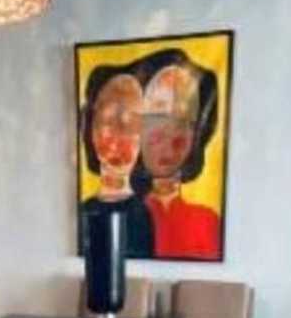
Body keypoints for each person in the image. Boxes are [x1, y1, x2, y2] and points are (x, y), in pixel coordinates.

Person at [138, 55, 222, 260]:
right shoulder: (118, 216)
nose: (169, 134)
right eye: (157, 114)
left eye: (183, 118)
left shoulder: (208, 221)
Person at [79, 67, 154, 258]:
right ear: (91, 130)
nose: (118, 140)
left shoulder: (142, 215)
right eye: (107, 122)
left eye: (130, 127)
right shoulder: (82, 213)